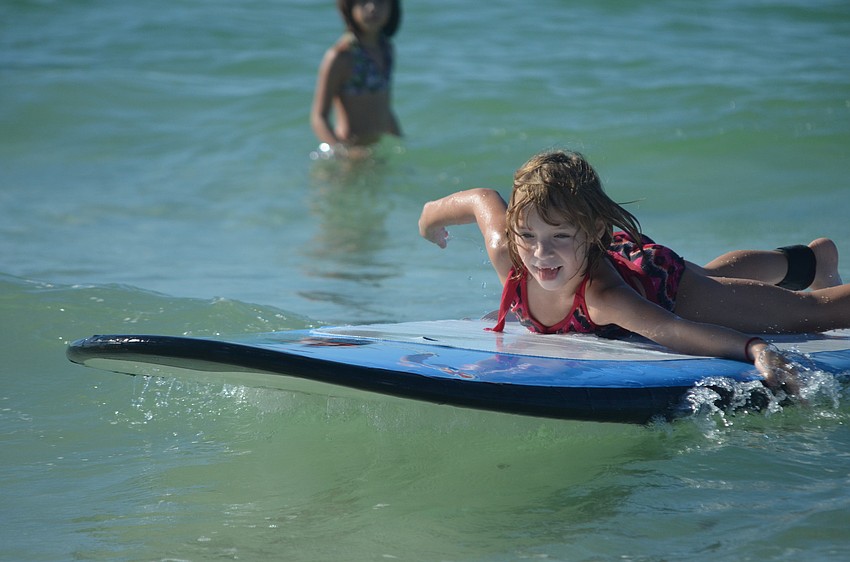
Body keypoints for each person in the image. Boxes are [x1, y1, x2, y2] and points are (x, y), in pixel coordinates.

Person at [418, 149, 850, 394]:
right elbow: (480, 198)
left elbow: (675, 331)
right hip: (616, 259)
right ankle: (810, 260)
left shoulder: (604, 297)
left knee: (804, 313)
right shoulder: (512, 253)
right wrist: (429, 218)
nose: (539, 255)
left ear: (592, 232)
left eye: (559, 236)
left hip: (661, 287)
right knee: (714, 278)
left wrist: (757, 349)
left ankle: (814, 276)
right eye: (527, 236)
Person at [311, 0, 402, 159]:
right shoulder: (341, 56)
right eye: (363, 1)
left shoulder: (387, 50)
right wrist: (344, 151)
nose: (372, 7)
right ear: (349, 7)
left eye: (380, 1)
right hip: (348, 153)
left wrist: (399, 138)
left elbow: (384, 106)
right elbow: (319, 117)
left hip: (376, 149)